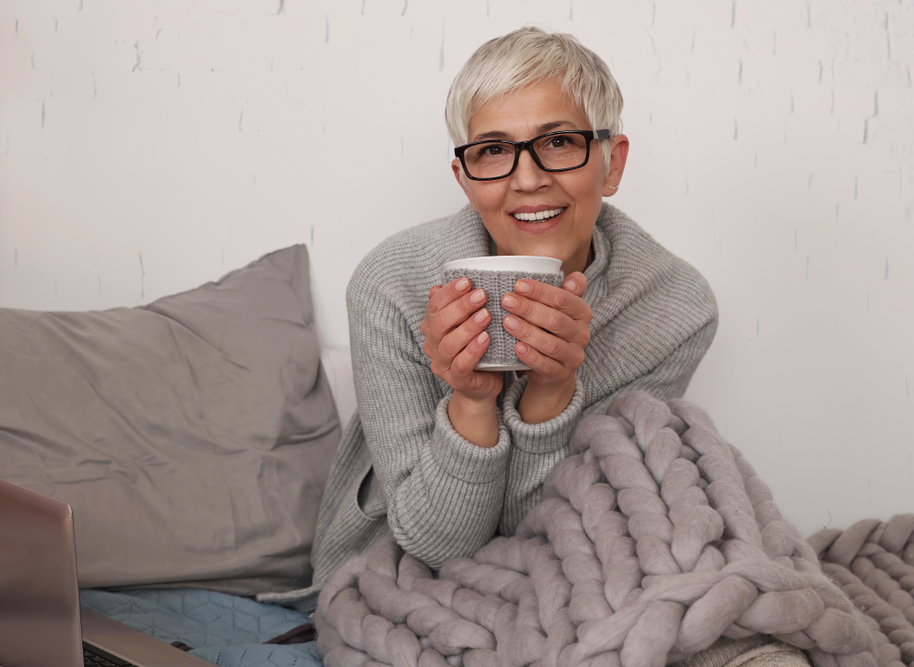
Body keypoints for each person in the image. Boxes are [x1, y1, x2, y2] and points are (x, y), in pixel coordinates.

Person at [261, 26, 719, 610]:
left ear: (611, 162)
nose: (527, 179)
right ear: (465, 178)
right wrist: (471, 401)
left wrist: (552, 391)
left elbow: (560, 535)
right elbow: (435, 545)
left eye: (559, 142)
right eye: (494, 150)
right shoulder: (393, 283)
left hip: (574, 568)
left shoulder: (674, 307)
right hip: (394, 566)